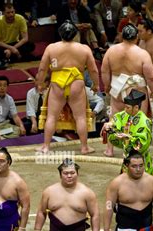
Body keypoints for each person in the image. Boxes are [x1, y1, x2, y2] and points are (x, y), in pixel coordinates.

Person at [35, 20, 99, 155]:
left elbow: (42, 69)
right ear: (75, 34)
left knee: (51, 116)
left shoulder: (51, 48)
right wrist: (96, 84)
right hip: (76, 83)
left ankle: (46, 146)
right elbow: (93, 70)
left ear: (60, 34)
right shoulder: (84, 49)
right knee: (80, 117)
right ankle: (84, 147)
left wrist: (39, 83)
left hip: (57, 83)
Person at [101, 24, 153, 157]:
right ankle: (135, 151)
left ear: (122, 36)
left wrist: (107, 86)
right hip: (136, 92)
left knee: (114, 119)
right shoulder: (142, 54)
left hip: (117, 89)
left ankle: (110, 149)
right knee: (138, 120)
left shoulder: (111, 51)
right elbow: (151, 76)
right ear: (136, 37)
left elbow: (104, 70)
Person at [104, 90, 153, 174]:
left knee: (142, 183)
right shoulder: (126, 114)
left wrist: (127, 138)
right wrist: (111, 124)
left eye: (128, 107)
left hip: (140, 159)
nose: (125, 109)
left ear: (136, 107)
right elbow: (118, 118)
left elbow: (143, 143)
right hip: (127, 158)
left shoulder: (145, 122)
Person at [0, 3, 35, 69]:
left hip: (15, 44)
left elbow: (25, 38)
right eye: (8, 13)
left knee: (31, 45)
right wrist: (11, 49)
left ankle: (8, 58)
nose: (11, 14)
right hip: (3, 45)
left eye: (12, 12)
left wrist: (12, 49)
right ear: (3, 13)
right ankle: (17, 57)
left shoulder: (20, 18)